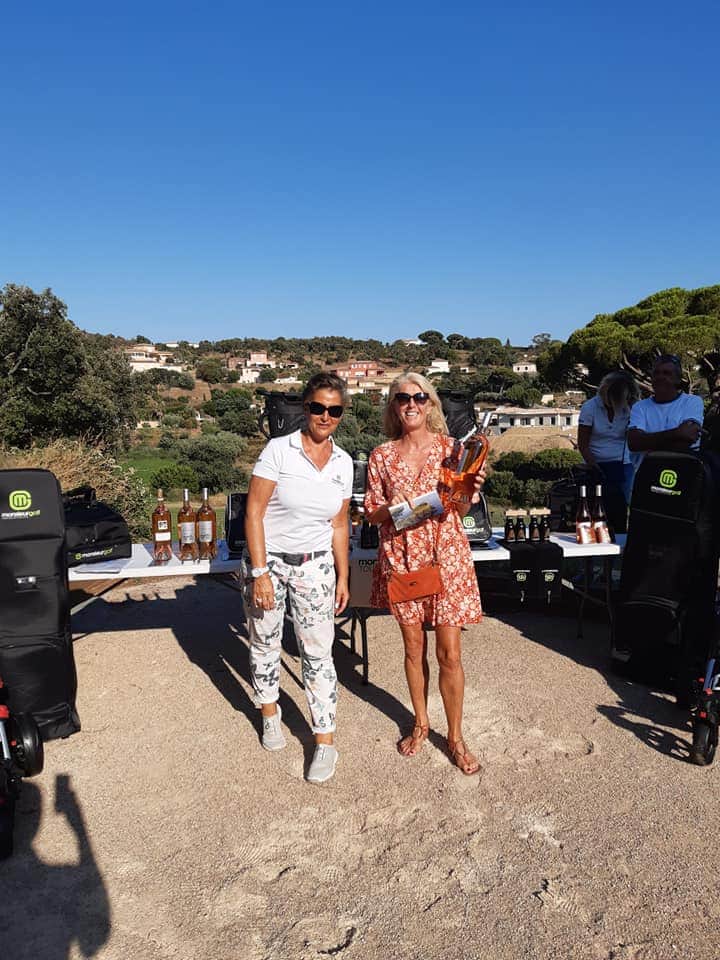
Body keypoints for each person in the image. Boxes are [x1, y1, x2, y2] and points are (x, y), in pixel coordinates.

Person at [364, 372, 485, 776]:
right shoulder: (381, 456)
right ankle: (420, 723)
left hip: (445, 555)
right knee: (413, 648)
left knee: (450, 652)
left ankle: (455, 737)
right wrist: (392, 506)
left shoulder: (453, 449)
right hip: (402, 558)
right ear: (393, 406)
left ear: (431, 403)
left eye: (419, 397)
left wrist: (469, 489)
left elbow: (460, 508)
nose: (411, 404)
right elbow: (372, 513)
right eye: (403, 398)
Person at [244, 372, 353, 784]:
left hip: (315, 565)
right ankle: (269, 713)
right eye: (318, 407)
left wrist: (343, 576)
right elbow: (254, 513)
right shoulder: (279, 450)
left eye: (334, 410)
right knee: (265, 641)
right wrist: (259, 573)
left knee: (318, 653)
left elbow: (339, 524)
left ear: (341, 414)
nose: (325, 416)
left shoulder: (343, 463)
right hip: (269, 561)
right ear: (305, 408)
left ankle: (324, 741)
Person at [627, 354, 704, 467]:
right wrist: (677, 433)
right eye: (656, 373)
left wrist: (647, 441)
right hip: (645, 473)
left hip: (683, 471)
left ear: (678, 379)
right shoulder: (640, 407)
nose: (660, 377)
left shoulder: (692, 402)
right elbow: (633, 443)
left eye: (667, 373)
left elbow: (687, 440)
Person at [577, 370, 639, 509]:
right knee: (598, 506)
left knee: (624, 505)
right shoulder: (590, 407)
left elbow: (636, 438)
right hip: (595, 465)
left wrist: (632, 415)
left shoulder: (632, 407)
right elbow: (583, 444)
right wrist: (595, 468)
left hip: (624, 465)